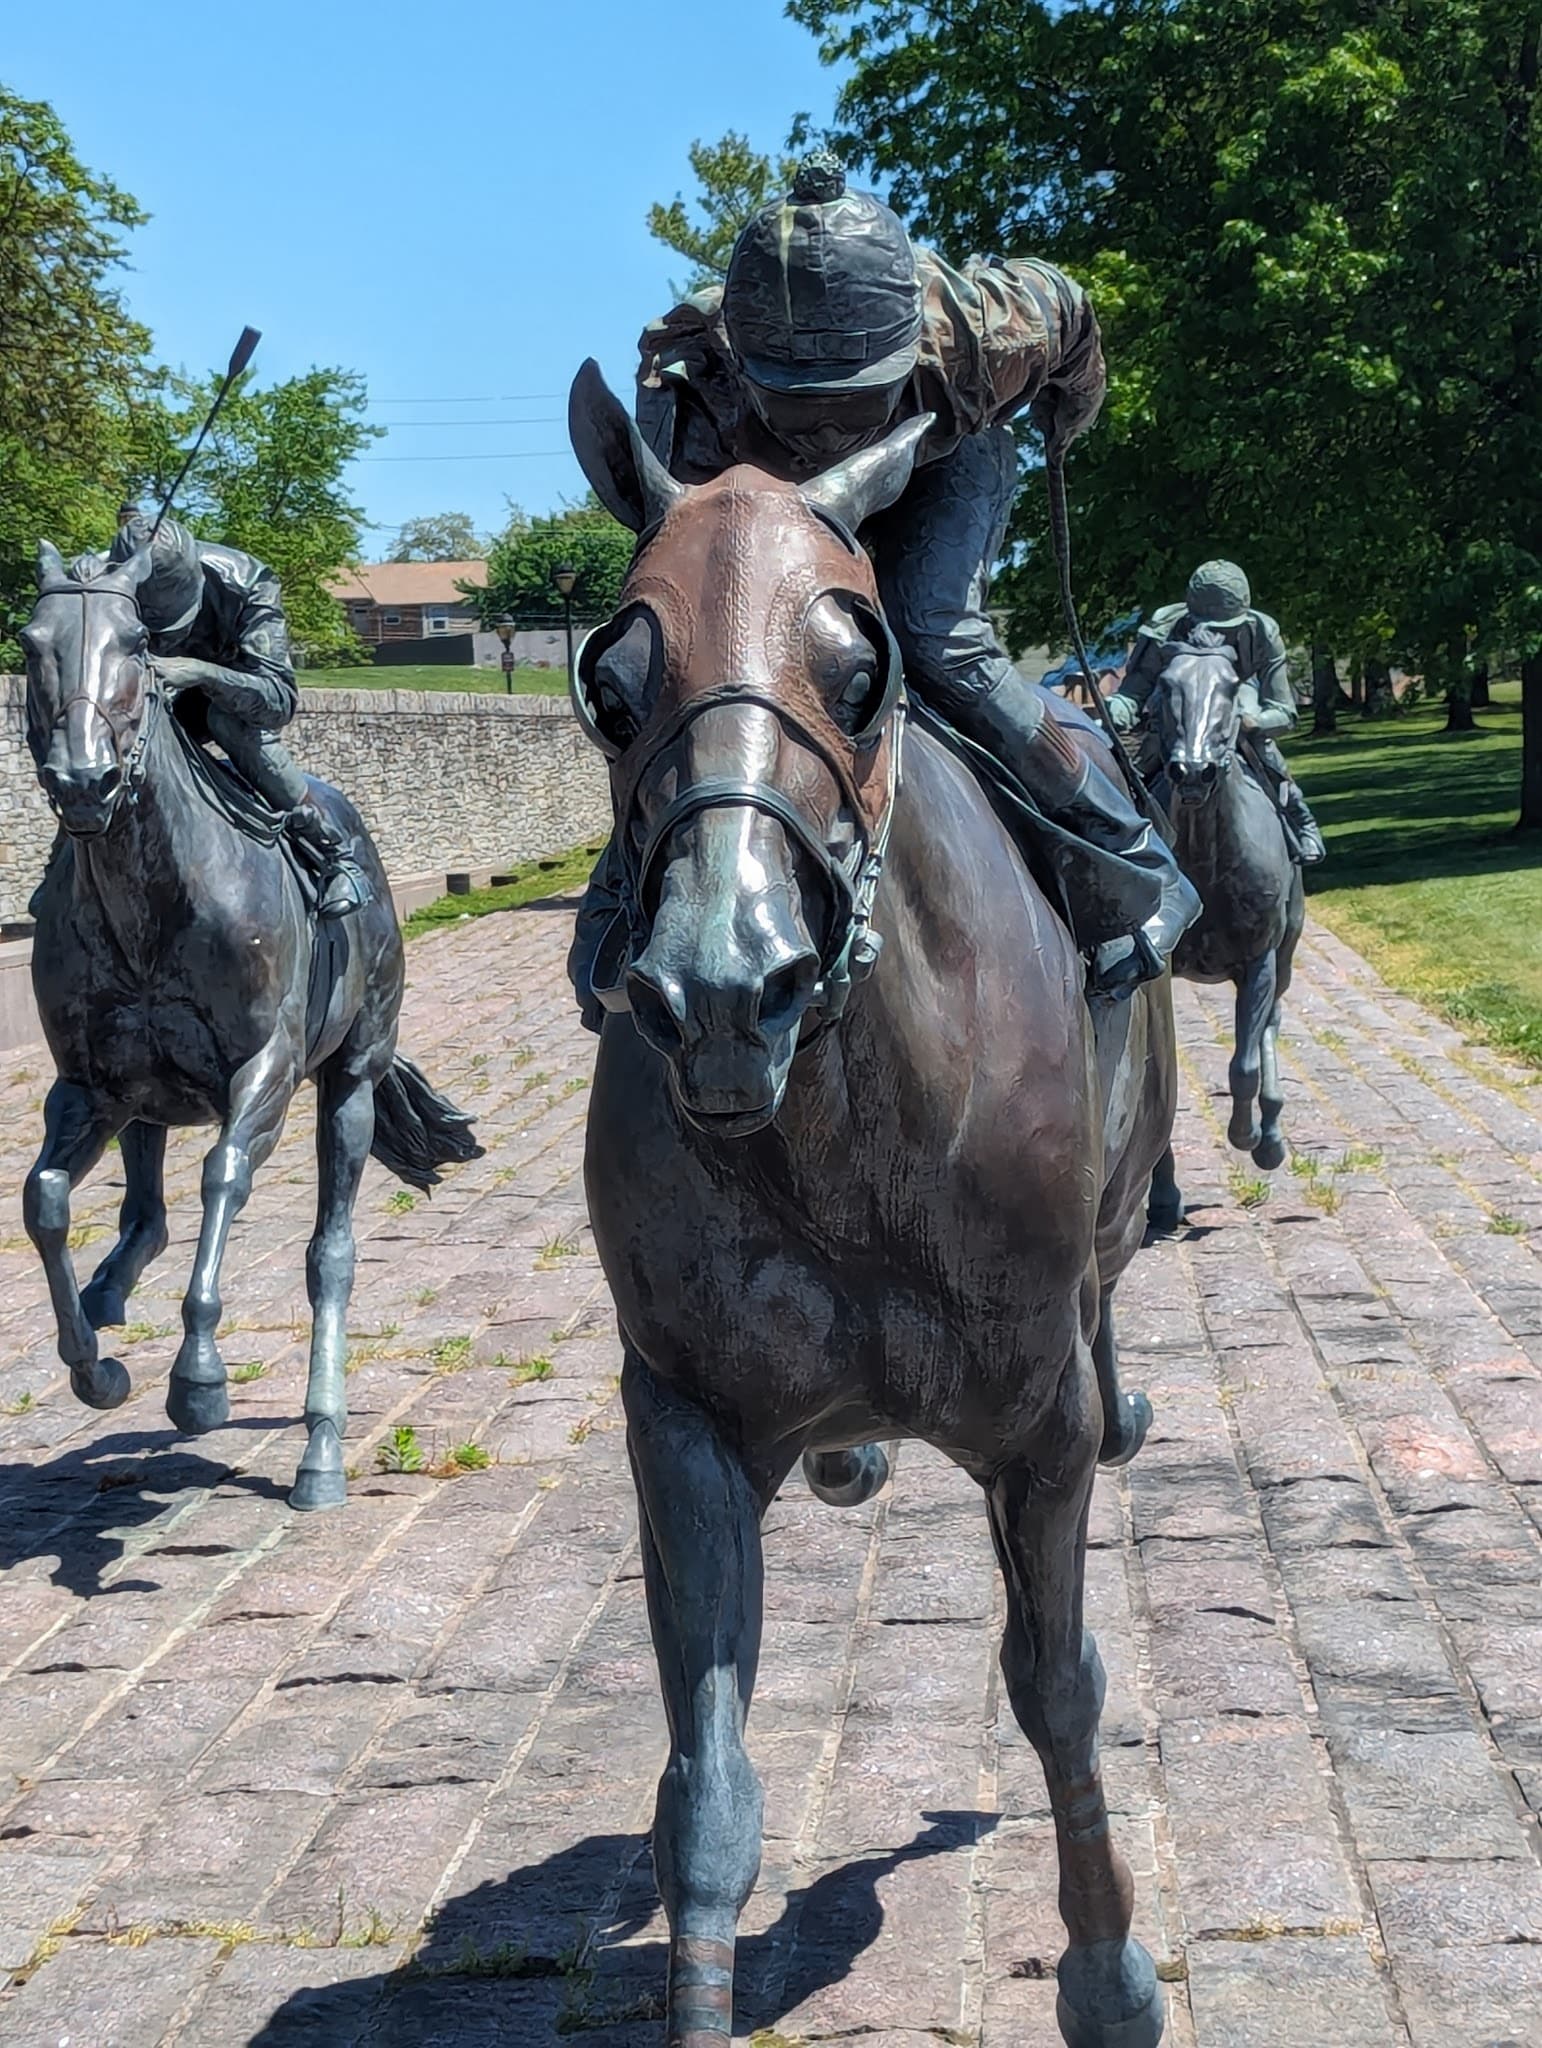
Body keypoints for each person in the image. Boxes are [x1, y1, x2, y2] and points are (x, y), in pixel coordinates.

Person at [568, 150, 1198, 1027]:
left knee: (933, 634)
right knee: (709, 659)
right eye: (802, 404)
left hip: (939, 456)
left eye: (849, 400)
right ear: (741, 364)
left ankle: (1124, 849)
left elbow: (1077, 326)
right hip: (767, 487)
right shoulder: (693, 385)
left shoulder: (990, 329)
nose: (828, 427)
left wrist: (1070, 414)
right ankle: (620, 898)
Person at [42, 506, 371, 916]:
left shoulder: (250, 583)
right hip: (143, 697)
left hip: (223, 698)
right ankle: (62, 860)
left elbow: (279, 701)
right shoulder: (103, 573)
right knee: (93, 735)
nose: (164, 637)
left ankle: (333, 854)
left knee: (230, 725)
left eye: (171, 625)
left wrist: (201, 674)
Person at [1110, 561, 1326, 863]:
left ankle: (1301, 821)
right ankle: (1115, 833)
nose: (1214, 632)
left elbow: (1283, 711)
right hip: (1177, 703)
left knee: (1263, 748)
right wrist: (1117, 709)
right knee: (1134, 761)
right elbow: (1133, 693)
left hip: (1237, 697)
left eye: (1226, 628)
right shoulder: (1164, 629)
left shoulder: (1263, 632)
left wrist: (1252, 721)